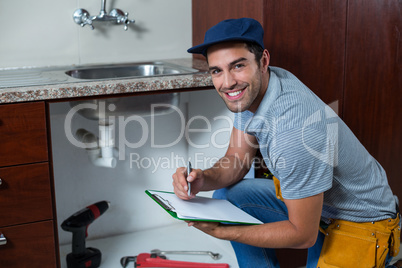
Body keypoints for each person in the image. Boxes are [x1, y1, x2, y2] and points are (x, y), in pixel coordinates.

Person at [172, 18, 401, 268]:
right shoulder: (255, 90)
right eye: (217, 70)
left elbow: (302, 234)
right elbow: (237, 160)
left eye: (237, 66)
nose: (227, 83)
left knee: (266, 224)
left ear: (263, 61)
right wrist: (204, 178)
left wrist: (223, 231)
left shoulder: (294, 131)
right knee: (228, 195)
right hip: (321, 209)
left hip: (359, 225)